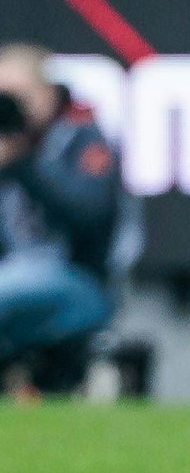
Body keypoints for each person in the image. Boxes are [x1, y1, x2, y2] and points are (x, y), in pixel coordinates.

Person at [0, 46, 127, 376]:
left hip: (80, 281)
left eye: (15, 97)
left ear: (45, 95)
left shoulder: (82, 138)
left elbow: (90, 218)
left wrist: (24, 165)